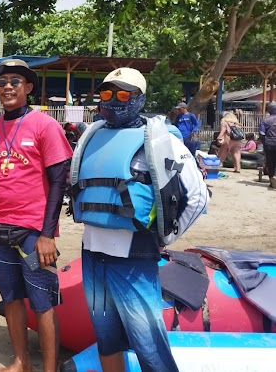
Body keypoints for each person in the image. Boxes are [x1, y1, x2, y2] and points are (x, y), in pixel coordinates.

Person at [69, 67, 209, 372]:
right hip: (92, 252)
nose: (113, 100)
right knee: (106, 338)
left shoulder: (159, 141)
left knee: (149, 345)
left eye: (123, 94)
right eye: (107, 93)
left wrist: (165, 237)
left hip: (134, 256)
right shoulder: (91, 136)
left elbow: (198, 196)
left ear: (139, 98)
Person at [0, 59, 73, 372]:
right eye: (1, 83)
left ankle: (50, 368)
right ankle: (20, 362)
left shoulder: (45, 126)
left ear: (28, 88)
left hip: (31, 237)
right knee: (11, 298)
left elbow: (58, 182)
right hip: (0, 232)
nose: (7, 87)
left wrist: (46, 234)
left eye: (15, 81)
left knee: (41, 301)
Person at [260, 102, 276, 188]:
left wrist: (264, 142)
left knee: (270, 162)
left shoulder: (265, 120)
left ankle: (272, 179)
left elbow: (262, 133)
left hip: (269, 143)